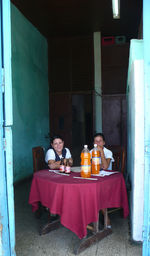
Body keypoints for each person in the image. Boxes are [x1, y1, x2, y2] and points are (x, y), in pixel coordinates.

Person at [91, 132, 114, 228]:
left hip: (107, 179)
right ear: (93, 143)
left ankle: (106, 217)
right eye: (96, 141)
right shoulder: (90, 151)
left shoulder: (108, 152)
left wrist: (102, 153)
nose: (98, 143)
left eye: (100, 141)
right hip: (94, 177)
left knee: (98, 193)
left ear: (104, 142)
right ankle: (92, 217)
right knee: (90, 191)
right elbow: (90, 166)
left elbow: (105, 166)